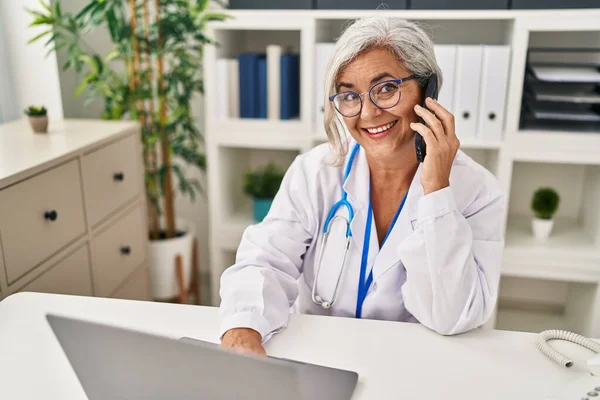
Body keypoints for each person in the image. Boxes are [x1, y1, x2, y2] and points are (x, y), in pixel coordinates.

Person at [218, 16, 506, 356]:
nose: (367, 113)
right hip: (320, 358)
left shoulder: (477, 191)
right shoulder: (316, 172)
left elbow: (452, 316)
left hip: (416, 366)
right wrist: (243, 329)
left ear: (428, 91)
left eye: (386, 89)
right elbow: (265, 261)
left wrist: (437, 193)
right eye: (349, 95)